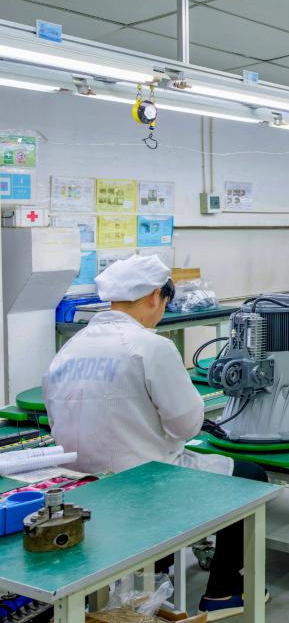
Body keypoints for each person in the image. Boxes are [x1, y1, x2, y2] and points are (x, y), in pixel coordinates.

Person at [42, 255, 266, 619]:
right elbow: (187, 425)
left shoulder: (69, 349)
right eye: (164, 301)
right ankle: (224, 591)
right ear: (153, 296)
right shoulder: (151, 346)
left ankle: (157, 568)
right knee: (250, 476)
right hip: (144, 484)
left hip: (82, 485)